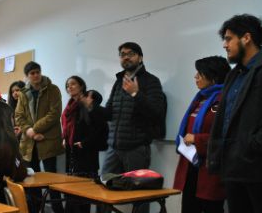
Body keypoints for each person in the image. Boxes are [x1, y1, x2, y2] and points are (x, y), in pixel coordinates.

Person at [207, 14, 262, 213]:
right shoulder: (233, 75)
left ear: (246, 38)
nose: (224, 45)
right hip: (234, 170)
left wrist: (251, 145)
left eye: (229, 39)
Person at [88, 42, 167, 213]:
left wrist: (136, 94)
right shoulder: (119, 82)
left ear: (140, 57)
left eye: (130, 53)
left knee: (139, 196)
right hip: (114, 147)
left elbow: (156, 113)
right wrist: (92, 108)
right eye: (122, 54)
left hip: (136, 147)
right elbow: (109, 113)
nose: (126, 57)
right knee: (103, 190)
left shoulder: (151, 81)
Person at [173, 56, 230, 213]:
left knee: (211, 208)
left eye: (200, 73)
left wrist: (196, 139)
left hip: (210, 170)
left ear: (213, 76)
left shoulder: (224, 100)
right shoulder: (200, 98)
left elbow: (227, 136)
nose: (195, 76)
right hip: (191, 166)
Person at [15, 61, 64, 213]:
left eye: (37, 72)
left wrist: (33, 129)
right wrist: (29, 131)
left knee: (51, 179)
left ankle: (57, 210)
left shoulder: (53, 89)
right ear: (27, 76)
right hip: (29, 142)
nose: (35, 75)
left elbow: (54, 114)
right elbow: (19, 116)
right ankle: (35, 209)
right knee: (32, 179)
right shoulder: (23, 93)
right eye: (32, 73)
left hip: (47, 139)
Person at [62, 76, 108, 213]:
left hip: (86, 156)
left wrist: (84, 143)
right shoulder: (69, 106)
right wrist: (65, 138)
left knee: (82, 198)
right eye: (67, 85)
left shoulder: (89, 103)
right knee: (71, 195)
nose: (70, 87)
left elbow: (100, 128)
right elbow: (68, 128)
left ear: (81, 86)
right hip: (71, 155)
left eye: (73, 84)